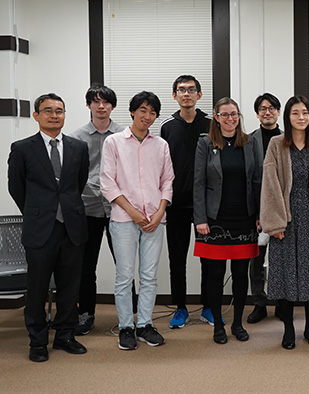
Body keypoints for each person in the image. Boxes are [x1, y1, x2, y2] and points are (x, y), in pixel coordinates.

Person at [8, 93, 90, 362]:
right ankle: (38, 341)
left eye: (59, 110)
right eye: (48, 110)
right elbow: (16, 188)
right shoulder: (22, 148)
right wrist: (37, 211)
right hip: (40, 227)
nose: (54, 115)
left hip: (72, 226)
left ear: (65, 114)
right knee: (37, 287)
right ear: (36, 115)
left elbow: (78, 184)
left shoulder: (78, 147)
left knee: (70, 286)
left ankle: (66, 335)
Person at [260, 95, 309, 349]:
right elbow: (270, 185)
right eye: (295, 113)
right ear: (288, 116)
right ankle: (287, 330)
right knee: (284, 276)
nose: (301, 117)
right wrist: (274, 223)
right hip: (286, 220)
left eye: (305, 112)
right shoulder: (276, 145)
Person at [101, 91, 174, 350]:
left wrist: (159, 213)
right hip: (123, 219)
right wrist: (132, 211)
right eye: (143, 110)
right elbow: (107, 182)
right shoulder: (114, 142)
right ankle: (125, 327)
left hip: (155, 219)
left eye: (152, 112)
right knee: (124, 276)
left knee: (149, 276)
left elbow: (167, 182)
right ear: (132, 112)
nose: (147, 116)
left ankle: (144, 324)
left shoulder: (161, 145)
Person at [193, 97, 262, 344]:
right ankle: (218, 326)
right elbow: (198, 183)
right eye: (225, 114)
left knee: (241, 273)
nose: (230, 118)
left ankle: (237, 324)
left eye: (234, 114)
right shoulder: (206, 143)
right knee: (215, 274)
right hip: (214, 219)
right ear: (216, 117)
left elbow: (257, 180)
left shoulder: (250, 143)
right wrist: (199, 218)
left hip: (244, 218)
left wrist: (260, 215)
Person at [70, 84, 124, 336]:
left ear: (112, 106)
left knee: (124, 264)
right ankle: (86, 314)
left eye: (106, 102)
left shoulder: (125, 134)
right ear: (89, 105)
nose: (101, 106)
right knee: (85, 266)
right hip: (87, 208)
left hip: (119, 209)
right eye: (96, 102)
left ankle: (131, 316)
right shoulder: (77, 137)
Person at [160, 75, 212, 329]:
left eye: (191, 90)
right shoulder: (168, 126)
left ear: (199, 95)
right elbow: (161, 166)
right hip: (177, 203)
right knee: (177, 258)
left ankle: (209, 307)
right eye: (181, 90)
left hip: (206, 205)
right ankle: (180, 307)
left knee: (209, 259)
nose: (186, 94)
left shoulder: (211, 124)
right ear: (175, 95)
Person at [246, 93, 283, 324]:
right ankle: (259, 304)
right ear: (257, 113)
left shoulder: (288, 139)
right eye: (262, 108)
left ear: (278, 112)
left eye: (271, 108)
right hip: (257, 211)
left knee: (280, 260)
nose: (267, 112)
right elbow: (248, 180)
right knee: (256, 260)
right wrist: (256, 214)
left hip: (283, 210)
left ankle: (281, 303)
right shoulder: (249, 141)